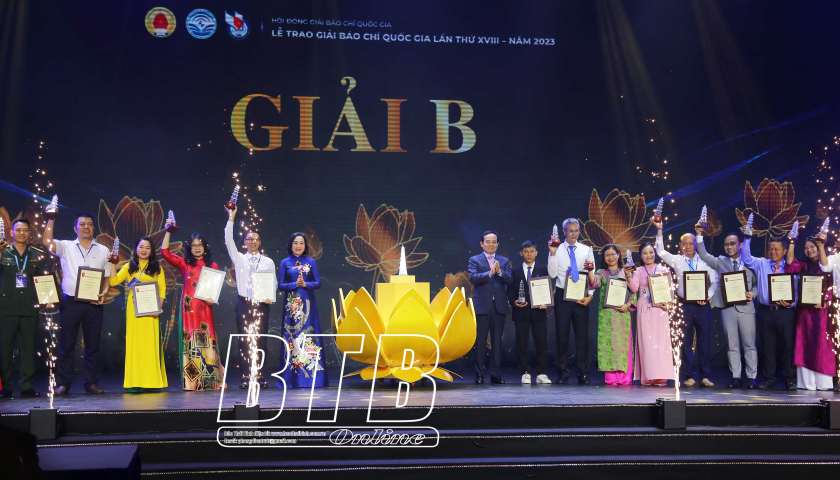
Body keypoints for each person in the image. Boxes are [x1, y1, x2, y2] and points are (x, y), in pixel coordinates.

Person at [43, 211, 112, 395]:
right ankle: (63, 383)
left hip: (94, 304)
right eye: (82, 224)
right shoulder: (66, 246)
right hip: (70, 302)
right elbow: (47, 242)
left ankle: (91, 382)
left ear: (94, 228)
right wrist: (51, 219)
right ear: (75, 228)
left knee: (93, 345)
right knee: (66, 344)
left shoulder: (103, 250)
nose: (86, 227)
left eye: (89, 224)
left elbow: (106, 277)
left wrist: (105, 291)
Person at [654, 219, 718, 387]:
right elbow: (660, 252)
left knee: (704, 342)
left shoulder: (706, 261)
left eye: (691, 243)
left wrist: (708, 296)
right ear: (680, 245)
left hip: (703, 306)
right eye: (684, 243)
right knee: (686, 343)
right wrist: (659, 230)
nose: (688, 246)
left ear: (696, 245)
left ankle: (705, 376)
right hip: (684, 306)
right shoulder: (677, 260)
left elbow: (715, 282)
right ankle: (690, 375)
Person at [161, 225, 225, 390]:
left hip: (205, 308)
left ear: (205, 247)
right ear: (189, 248)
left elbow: (214, 290)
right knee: (192, 343)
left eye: (200, 245)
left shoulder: (213, 266)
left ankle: (211, 380)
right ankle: (193, 381)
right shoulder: (185, 263)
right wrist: (168, 231)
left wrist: (213, 299)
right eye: (194, 245)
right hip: (189, 309)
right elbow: (165, 253)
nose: (197, 248)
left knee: (207, 340)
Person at [696, 230, 759, 388]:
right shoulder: (720, 261)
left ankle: (751, 377)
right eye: (726, 244)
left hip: (746, 308)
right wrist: (699, 234)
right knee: (732, 345)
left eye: (732, 244)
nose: (729, 247)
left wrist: (754, 293)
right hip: (727, 308)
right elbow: (703, 254)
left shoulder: (750, 262)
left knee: (749, 344)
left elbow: (757, 284)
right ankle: (736, 377)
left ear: (740, 244)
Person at [224, 206, 276, 389]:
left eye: (256, 239)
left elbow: (273, 283)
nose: (252, 242)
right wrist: (231, 218)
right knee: (245, 341)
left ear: (260, 242)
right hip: (244, 304)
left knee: (261, 340)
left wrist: (270, 296)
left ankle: (259, 375)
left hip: (262, 305)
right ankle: (246, 376)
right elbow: (228, 240)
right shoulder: (239, 259)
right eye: (249, 239)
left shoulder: (268, 261)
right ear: (244, 242)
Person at [109, 237, 167, 392]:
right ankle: (134, 382)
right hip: (134, 311)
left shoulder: (157, 268)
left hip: (151, 312)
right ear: (136, 249)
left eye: (147, 247)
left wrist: (158, 308)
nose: (144, 250)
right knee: (135, 345)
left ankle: (151, 382)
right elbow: (113, 281)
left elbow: (162, 289)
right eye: (141, 247)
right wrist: (113, 264)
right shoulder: (129, 266)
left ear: (151, 251)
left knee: (149, 345)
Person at [740, 235, 797, 390]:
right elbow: (745, 257)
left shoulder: (791, 267)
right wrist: (747, 239)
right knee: (767, 347)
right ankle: (769, 379)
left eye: (776, 249)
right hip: (766, 312)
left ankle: (790, 379)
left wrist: (792, 303)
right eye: (770, 249)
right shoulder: (761, 263)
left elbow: (797, 290)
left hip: (785, 312)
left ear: (784, 251)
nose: (772, 252)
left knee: (788, 346)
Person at [0, 218, 47, 398]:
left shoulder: (36, 254)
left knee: (28, 348)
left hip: (29, 307)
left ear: (30, 233)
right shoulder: (3, 252)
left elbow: (43, 280)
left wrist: (47, 296)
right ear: (12, 232)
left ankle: (27, 386)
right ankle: (6, 386)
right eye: (18, 229)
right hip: (7, 307)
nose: (22, 233)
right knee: (5, 349)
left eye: (25, 230)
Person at [276, 232, 328, 388]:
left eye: (301, 243)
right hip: (291, 306)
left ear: (305, 246)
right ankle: (291, 378)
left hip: (308, 304)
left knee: (308, 334)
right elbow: (280, 285)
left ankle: (313, 378)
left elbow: (318, 283)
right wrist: (295, 285)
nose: (298, 246)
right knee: (292, 335)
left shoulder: (311, 261)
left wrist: (305, 284)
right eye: (295, 243)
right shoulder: (285, 262)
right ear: (290, 245)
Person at [547, 218, 595, 384]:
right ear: (564, 232)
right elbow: (552, 274)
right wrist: (553, 254)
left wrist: (590, 295)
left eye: (576, 230)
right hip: (563, 295)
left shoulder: (587, 250)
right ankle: (562, 372)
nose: (574, 234)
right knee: (562, 335)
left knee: (582, 336)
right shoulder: (556, 249)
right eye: (570, 230)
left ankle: (583, 373)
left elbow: (591, 274)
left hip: (581, 295)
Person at [786, 237, 834, 390]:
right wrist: (791, 243)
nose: (809, 250)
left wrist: (825, 300)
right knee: (804, 343)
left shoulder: (827, 264)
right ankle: (806, 383)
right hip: (805, 312)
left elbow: (833, 287)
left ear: (818, 247)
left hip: (822, 311)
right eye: (806, 248)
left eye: (812, 247)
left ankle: (823, 383)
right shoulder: (804, 265)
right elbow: (789, 265)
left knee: (822, 344)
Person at [627, 242, 675, 385]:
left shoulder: (663, 269)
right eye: (645, 253)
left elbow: (670, 290)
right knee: (647, 343)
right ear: (641, 256)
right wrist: (628, 276)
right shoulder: (638, 271)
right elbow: (634, 288)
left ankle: (661, 376)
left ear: (655, 253)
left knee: (661, 343)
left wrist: (669, 303)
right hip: (645, 309)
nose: (648, 255)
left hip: (660, 309)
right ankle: (648, 376)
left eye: (651, 252)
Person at [468, 230, 512, 384]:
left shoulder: (504, 261)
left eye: (494, 242)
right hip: (482, 305)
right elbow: (473, 278)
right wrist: (489, 273)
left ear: (498, 244)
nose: (491, 244)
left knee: (497, 341)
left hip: (499, 306)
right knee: (480, 341)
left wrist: (499, 272)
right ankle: (480, 374)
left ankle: (495, 373)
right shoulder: (475, 260)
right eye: (488, 241)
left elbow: (509, 280)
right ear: (482, 243)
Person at [589, 244, 635, 386]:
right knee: (609, 346)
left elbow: (633, 292)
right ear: (604, 258)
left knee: (622, 345)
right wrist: (590, 271)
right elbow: (594, 283)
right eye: (607, 255)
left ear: (618, 255)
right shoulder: (602, 273)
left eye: (613, 254)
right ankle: (612, 378)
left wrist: (627, 305)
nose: (610, 257)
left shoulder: (625, 271)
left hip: (622, 314)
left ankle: (625, 378)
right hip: (607, 316)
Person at [508, 240, 550, 384]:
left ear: (536, 253)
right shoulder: (514, 271)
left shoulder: (543, 269)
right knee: (522, 343)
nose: (529, 254)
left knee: (541, 343)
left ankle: (542, 373)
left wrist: (546, 302)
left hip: (539, 311)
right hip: (521, 312)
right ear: (521, 253)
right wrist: (514, 302)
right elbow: (510, 291)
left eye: (532, 251)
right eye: (526, 251)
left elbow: (548, 288)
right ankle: (525, 372)